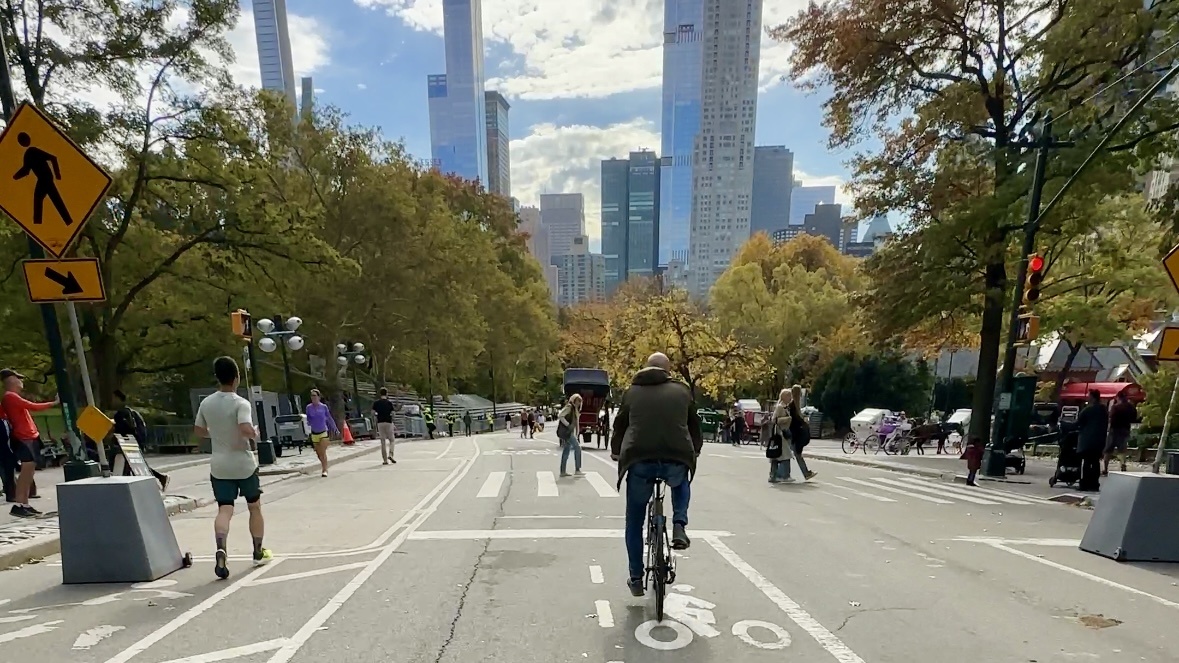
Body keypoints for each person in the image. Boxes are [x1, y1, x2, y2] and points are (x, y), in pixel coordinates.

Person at [611, 353, 702, 597]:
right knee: (681, 480)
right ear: (667, 370)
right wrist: (695, 451)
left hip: (640, 459)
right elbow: (694, 426)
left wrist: (616, 451)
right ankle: (679, 525)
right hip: (676, 456)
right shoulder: (682, 391)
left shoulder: (631, 392)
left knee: (634, 521)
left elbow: (620, 425)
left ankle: (636, 577)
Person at [193, 357, 271, 578]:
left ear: (217, 377)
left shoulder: (206, 403)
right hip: (243, 463)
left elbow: (198, 430)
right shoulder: (240, 403)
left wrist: (216, 434)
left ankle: (221, 548)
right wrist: (253, 433)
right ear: (236, 378)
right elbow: (244, 427)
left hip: (219, 465)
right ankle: (257, 551)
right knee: (254, 507)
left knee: (224, 509)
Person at [1, 368, 57, 518]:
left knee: (29, 471)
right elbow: (33, 406)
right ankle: (19, 504)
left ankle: (24, 503)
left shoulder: (13, 397)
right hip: (23, 437)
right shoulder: (10, 396)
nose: (21, 381)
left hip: (29, 436)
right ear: (11, 380)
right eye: (18, 378)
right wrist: (54, 403)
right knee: (26, 471)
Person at [111, 390, 169, 490]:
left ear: (118, 399)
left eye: (114, 398)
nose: (112, 401)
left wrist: (115, 433)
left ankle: (156, 480)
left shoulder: (121, 413)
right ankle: (159, 478)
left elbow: (126, 428)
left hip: (127, 442)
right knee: (135, 464)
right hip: (136, 441)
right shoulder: (131, 411)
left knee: (133, 464)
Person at [1075, 389, 1108, 492]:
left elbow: (1079, 422)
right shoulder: (1103, 410)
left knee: (1086, 463)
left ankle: (1084, 483)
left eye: (1089, 396)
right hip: (1099, 440)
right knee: (1095, 462)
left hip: (1087, 440)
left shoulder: (1088, 410)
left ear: (1092, 397)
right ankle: (1094, 484)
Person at [305, 389, 339, 477]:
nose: (313, 397)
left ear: (319, 397)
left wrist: (335, 429)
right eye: (312, 396)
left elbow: (329, 418)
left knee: (323, 451)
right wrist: (309, 423)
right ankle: (324, 464)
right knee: (318, 453)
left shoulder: (323, 407)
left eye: (315, 396)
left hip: (323, 431)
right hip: (314, 432)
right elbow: (308, 419)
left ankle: (325, 469)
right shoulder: (309, 407)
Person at [1104, 391, 1137, 475]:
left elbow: (1111, 417)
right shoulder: (1130, 407)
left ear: (1118, 397)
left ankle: (1105, 468)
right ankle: (1122, 464)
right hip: (1125, 429)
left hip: (1114, 430)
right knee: (1122, 450)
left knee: (1108, 450)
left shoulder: (1115, 407)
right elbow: (1135, 417)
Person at [788, 385, 817, 480]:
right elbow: (795, 420)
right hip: (795, 434)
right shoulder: (793, 405)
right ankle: (804, 473)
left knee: (795, 454)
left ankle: (804, 472)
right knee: (795, 454)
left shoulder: (794, 405)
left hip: (795, 434)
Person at [769, 389, 793, 483]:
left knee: (777, 455)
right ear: (784, 397)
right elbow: (774, 420)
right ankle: (783, 475)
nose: (790, 398)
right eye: (789, 396)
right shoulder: (780, 407)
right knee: (785, 455)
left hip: (783, 434)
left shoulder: (786, 407)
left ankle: (773, 475)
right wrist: (787, 419)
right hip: (780, 434)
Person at [556, 395, 583, 477]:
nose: (579, 403)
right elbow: (560, 415)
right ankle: (577, 469)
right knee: (577, 448)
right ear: (573, 400)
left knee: (566, 451)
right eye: (577, 401)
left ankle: (563, 471)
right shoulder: (570, 407)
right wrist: (568, 425)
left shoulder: (575, 409)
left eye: (580, 401)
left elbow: (576, 423)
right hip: (567, 432)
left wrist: (577, 433)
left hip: (570, 432)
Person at [372, 388, 397, 465]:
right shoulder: (389, 403)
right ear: (386, 394)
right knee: (392, 440)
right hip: (388, 422)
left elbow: (373, 413)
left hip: (380, 422)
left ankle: (385, 460)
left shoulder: (376, 403)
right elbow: (393, 413)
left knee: (383, 441)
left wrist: (376, 417)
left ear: (380, 394)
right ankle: (391, 454)